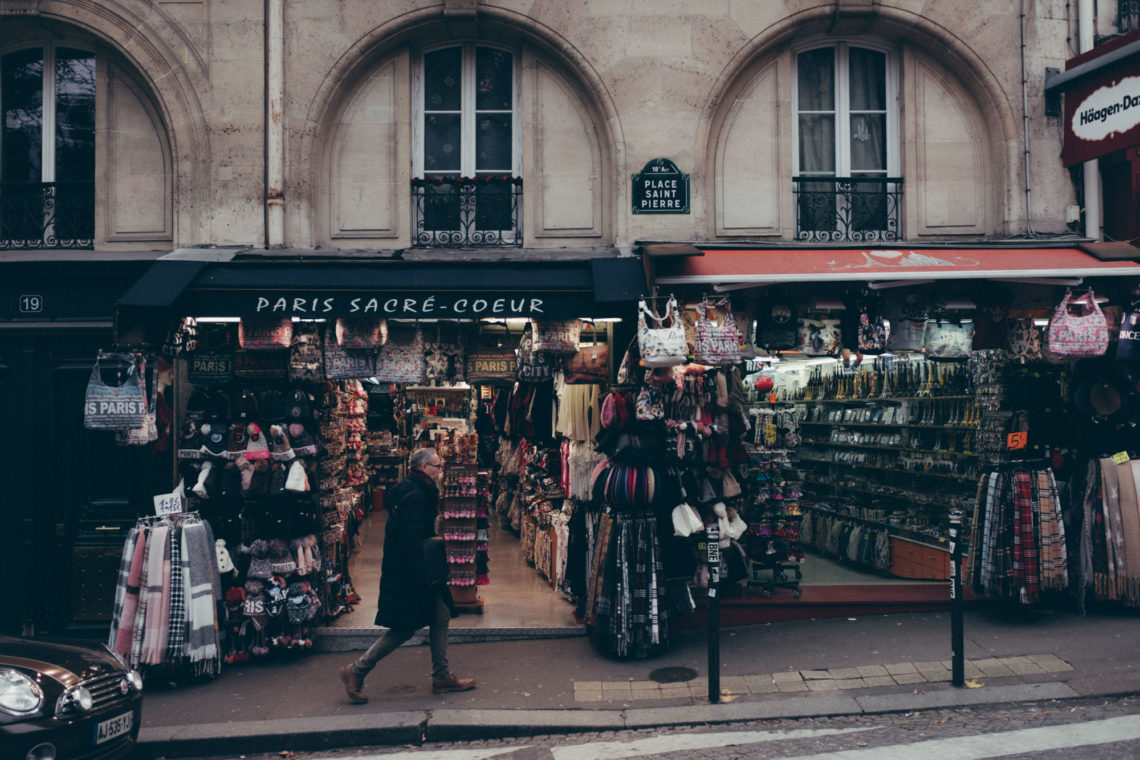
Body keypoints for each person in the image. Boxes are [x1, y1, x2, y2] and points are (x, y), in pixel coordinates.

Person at [338, 447, 475, 702]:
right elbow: (411, 539)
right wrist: (421, 575)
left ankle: (441, 676)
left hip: (418, 569)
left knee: (441, 615)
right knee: (404, 627)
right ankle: (356, 670)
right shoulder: (416, 494)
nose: (440, 471)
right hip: (414, 571)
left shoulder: (414, 489)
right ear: (423, 467)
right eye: (437, 466)